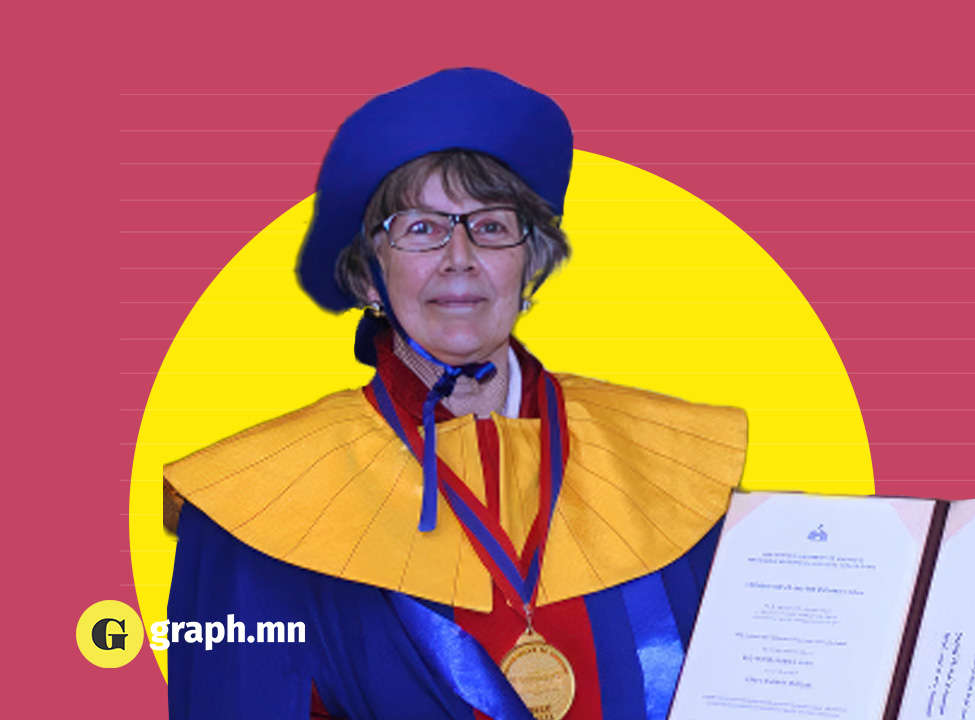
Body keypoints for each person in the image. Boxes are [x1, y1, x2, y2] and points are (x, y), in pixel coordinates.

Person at [162, 68, 747, 720]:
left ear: (531, 264)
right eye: (420, 229)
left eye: (491, 227)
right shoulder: (258, 504)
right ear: (369, 276)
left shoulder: (671, 465)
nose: (460, 256)